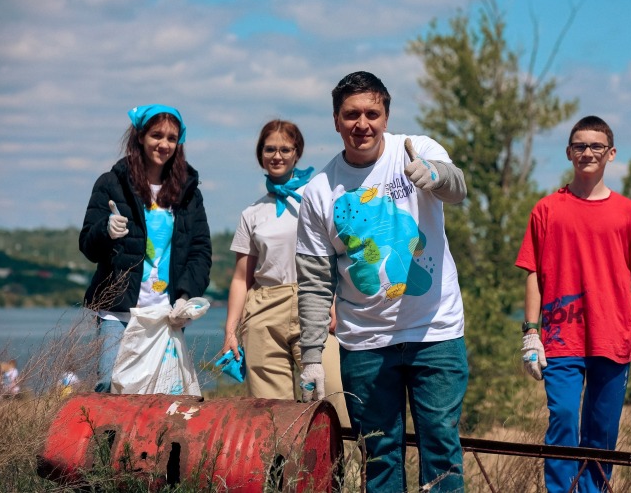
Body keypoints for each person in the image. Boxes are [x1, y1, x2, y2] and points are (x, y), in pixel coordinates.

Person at [296, 71, 468, 492]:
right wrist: (313, 355)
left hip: (436, 332)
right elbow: (316, 281)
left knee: (442, 449)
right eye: (351, 114)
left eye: (372, 113)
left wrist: (437, 175)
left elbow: (458, 186)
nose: (362, 124)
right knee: (379, 456)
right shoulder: (319, 191)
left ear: (386, 116)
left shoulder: (418, 149)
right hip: (365, 344)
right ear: (336, 121)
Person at [515, 115, 631, 493]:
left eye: (596, 146)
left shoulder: (628, 212)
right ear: (568, 152)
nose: (587, 152)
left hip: (612, 334)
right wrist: (530, 332)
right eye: (580, 145)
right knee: (563, 417)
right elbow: (532, 272)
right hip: (560, 335)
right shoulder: (547, 209)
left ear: (611, 154)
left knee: (602, 431)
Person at [219, 119, 349, 425]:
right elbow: (241, 277)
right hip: (264, 310)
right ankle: (277, 474)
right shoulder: (252, 213)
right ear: (260, 154)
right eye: (270, 149)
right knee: (270, 416)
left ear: (297, 153)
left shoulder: (317, 199)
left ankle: (350, 473)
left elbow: (336, 255)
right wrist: (230, 330)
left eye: (285, 149)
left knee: (332, 400)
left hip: (313, 301)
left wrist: (334, 300)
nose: (277, 155)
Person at [79, 104, 212, 393]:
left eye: (172, 138)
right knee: (109, 387)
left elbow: (200, 251)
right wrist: (106, 231)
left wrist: (186, 295)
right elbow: (88, 246)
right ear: (140, 136)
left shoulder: (188, 193)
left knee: (162, 394)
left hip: (166, 314)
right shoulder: (111, 184)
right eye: (156, 135)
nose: (164, 144)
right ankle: (108, 441)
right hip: (118, 314)